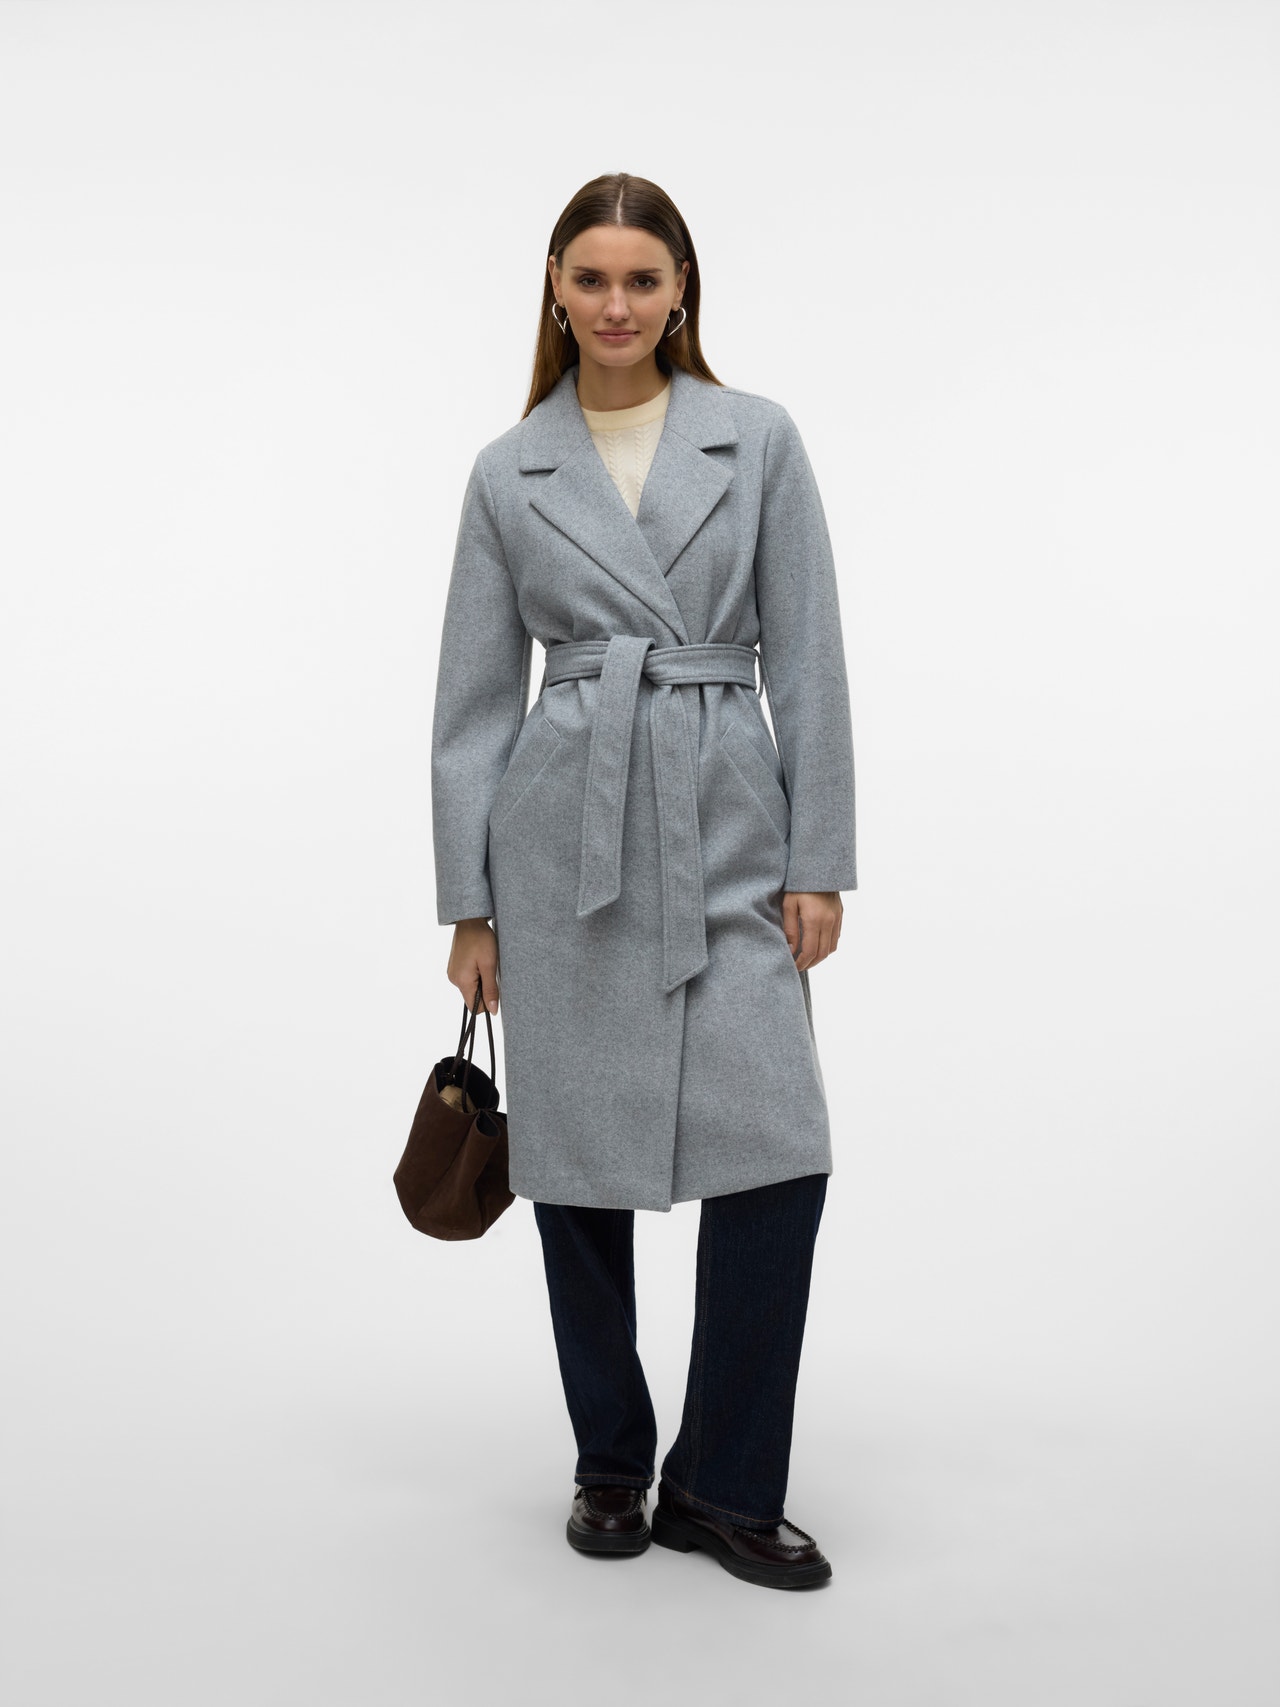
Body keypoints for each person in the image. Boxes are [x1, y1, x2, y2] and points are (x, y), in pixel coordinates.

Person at [431, 173, 856, 1591]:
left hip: (730, 817)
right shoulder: (510, 469)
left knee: (779, 1147)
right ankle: (612, 1459)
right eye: (591, 278)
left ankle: (725, 1485)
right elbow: (473, 706)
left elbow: (810, 656)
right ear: (556, 290)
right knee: (575, 1162)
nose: (616, 304)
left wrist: (819, 856)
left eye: (643, 279)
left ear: (683, 294)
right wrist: (471, 903)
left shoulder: (759, 438)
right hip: (566, 840)